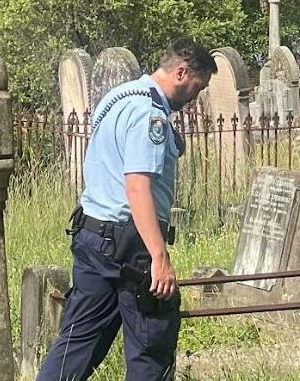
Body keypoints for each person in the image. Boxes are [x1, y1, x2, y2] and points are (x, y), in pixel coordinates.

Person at [36, 38, 217, 381]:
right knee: (151, 348)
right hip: (131, 245)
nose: (197, 96)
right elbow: (137, 187)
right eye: (198, 85)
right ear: (181, 72)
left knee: (77, 343)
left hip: (91, 234)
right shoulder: (150, 114)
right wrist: (159, 259)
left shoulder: (119, 97)